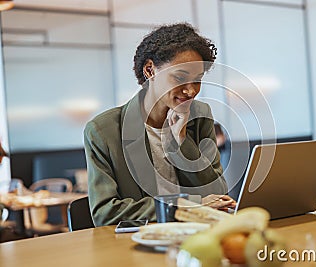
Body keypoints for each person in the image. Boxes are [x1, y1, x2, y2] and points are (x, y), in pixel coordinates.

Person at [84, 23, 236, 226]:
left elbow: (216, 194)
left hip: (195, 237)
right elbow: (105, 212)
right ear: (150, 70)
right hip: (135, 244)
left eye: (197, 79)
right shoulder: (103, 131)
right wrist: (186, 205)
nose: (191, 91)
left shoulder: (200, 116)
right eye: (180, 77)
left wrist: (182, 143)